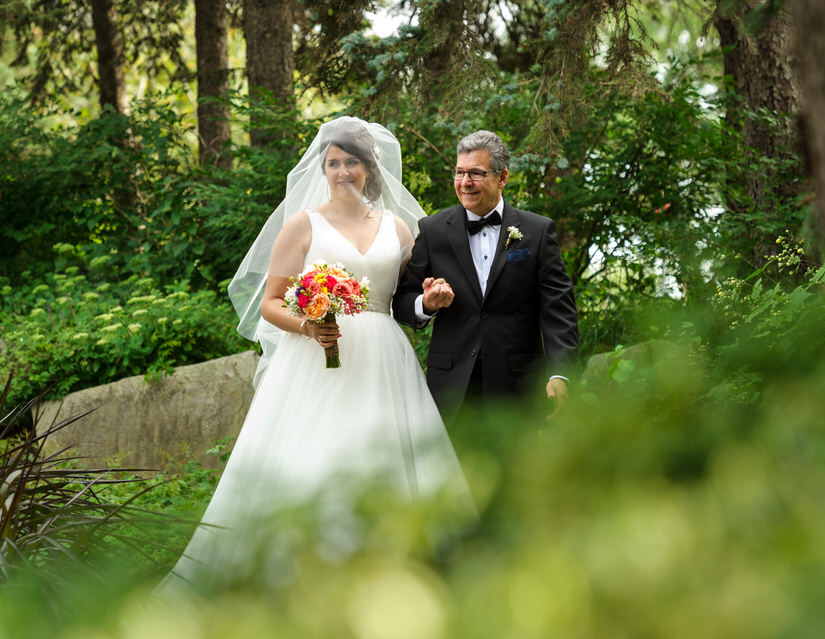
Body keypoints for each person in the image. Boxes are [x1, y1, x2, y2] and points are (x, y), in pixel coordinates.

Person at [157, 117, 469, 594]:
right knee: (319, 454)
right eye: (333, 163)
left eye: (352, 163)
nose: (342, 171)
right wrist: (309, 324)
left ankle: (397, 571)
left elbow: (412, 292)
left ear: (370, 168)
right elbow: (270, 302)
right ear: (322, 169)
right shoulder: (303, 225)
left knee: (386, 453)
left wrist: (431, 295)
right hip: (318, 356)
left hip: (386, 358)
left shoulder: (399, 228)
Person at [392, 130, 579, 427]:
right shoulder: (432, 230)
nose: (465, 182)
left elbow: (558, 309)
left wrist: (560, 373)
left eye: (476, 174)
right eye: (460, 172)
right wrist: (425, 304)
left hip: (519, 387)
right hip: (451, 387)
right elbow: (401, 301)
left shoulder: (537, 232)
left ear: (502, 177)